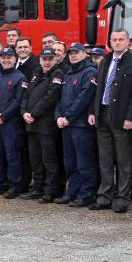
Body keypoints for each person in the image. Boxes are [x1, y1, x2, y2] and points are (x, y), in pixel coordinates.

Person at [90, 28, 132, 213]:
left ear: (128, 41)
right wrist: (94, 111)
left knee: (123, 161)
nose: (117, 42)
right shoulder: (106, 60)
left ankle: (123, 197)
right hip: (103, 113)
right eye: (114, 39)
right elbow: (100, 88)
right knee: (105, 159)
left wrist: (131, 118)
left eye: (121, 39)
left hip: (122, 117)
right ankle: (104, 196)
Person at [56, 44, 99, 207]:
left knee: (84, 162)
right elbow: (60, 98)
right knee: (70, 162)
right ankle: (72, 191)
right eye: (71, 53)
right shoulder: (69, 72)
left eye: (76, 53)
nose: (73, 55)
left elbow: (84, 98)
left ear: (84, 54)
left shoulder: (90, 72)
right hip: (67, 125)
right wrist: (59, 116)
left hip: (81, 126)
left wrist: (68, 116)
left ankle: (86, 194)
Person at [21, 49, 64, 203]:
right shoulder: (35, 74)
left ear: (55, 60)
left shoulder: (57, 74)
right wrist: (24, 111)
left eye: (50, 59)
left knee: (49, 159)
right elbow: (25, 94)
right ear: (40, 60)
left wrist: (33, 113)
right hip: (31, 124)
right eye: (44, 59)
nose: (46, 62)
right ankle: (37, 188)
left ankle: (50, 191)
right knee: (35, 158)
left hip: (46, 124)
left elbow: (50, 97)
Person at [0, 47, 27, 198]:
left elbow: (18, 101)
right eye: (3, 57)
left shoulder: (20, 78)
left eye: (9, 57)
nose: (6, 60)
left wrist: (3, 116)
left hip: (11, 124)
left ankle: (14, 185)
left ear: (15, 59)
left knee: (12, 156)